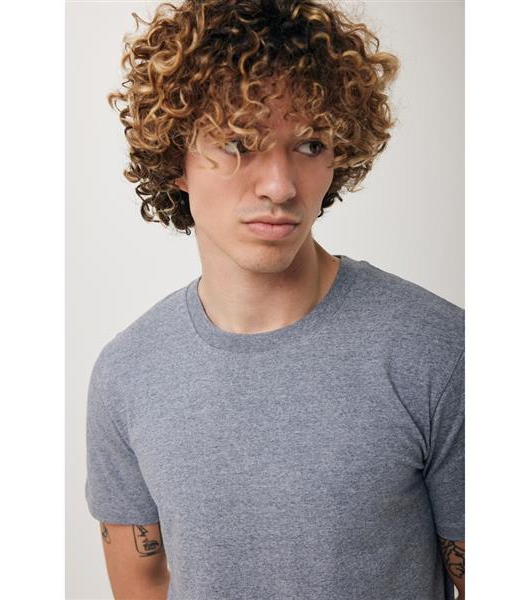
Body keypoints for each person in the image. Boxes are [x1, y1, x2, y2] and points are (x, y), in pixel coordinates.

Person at [85, 1, 465, 598]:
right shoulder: (126, 375)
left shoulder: (438, 352)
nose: (281, 186)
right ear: (176, 159)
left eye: (310, 145)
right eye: (239, 141)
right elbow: (143, 582)